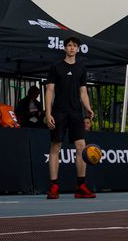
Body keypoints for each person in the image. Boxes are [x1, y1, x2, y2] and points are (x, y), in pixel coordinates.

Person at [44, 36, 96, 199]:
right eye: (69, 45)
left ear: (78, 49)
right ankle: (54, 186)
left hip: (75, 113)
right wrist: (48, 112)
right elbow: (50, 90)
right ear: (64, 48)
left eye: (74, 46)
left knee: (81, 147)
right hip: (59, 112)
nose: (72, 48)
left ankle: (81, 186)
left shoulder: (81, 68)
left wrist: (88, 108)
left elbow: (83, 92)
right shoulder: (56, 67)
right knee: (55, 147)